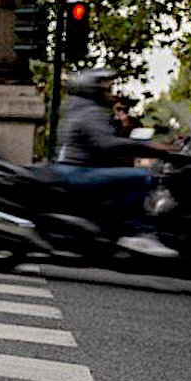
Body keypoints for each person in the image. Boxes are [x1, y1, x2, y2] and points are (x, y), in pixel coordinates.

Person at [54, 69, 178, 256]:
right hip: (79, 172)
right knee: (143, 176)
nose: (108, 88)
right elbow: (108, 144)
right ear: (91, 87)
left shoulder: (76, 108)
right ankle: (138, 231)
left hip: (72, 169)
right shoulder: (90, 111)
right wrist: (155, 148)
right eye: (103, 84)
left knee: (122, 178)